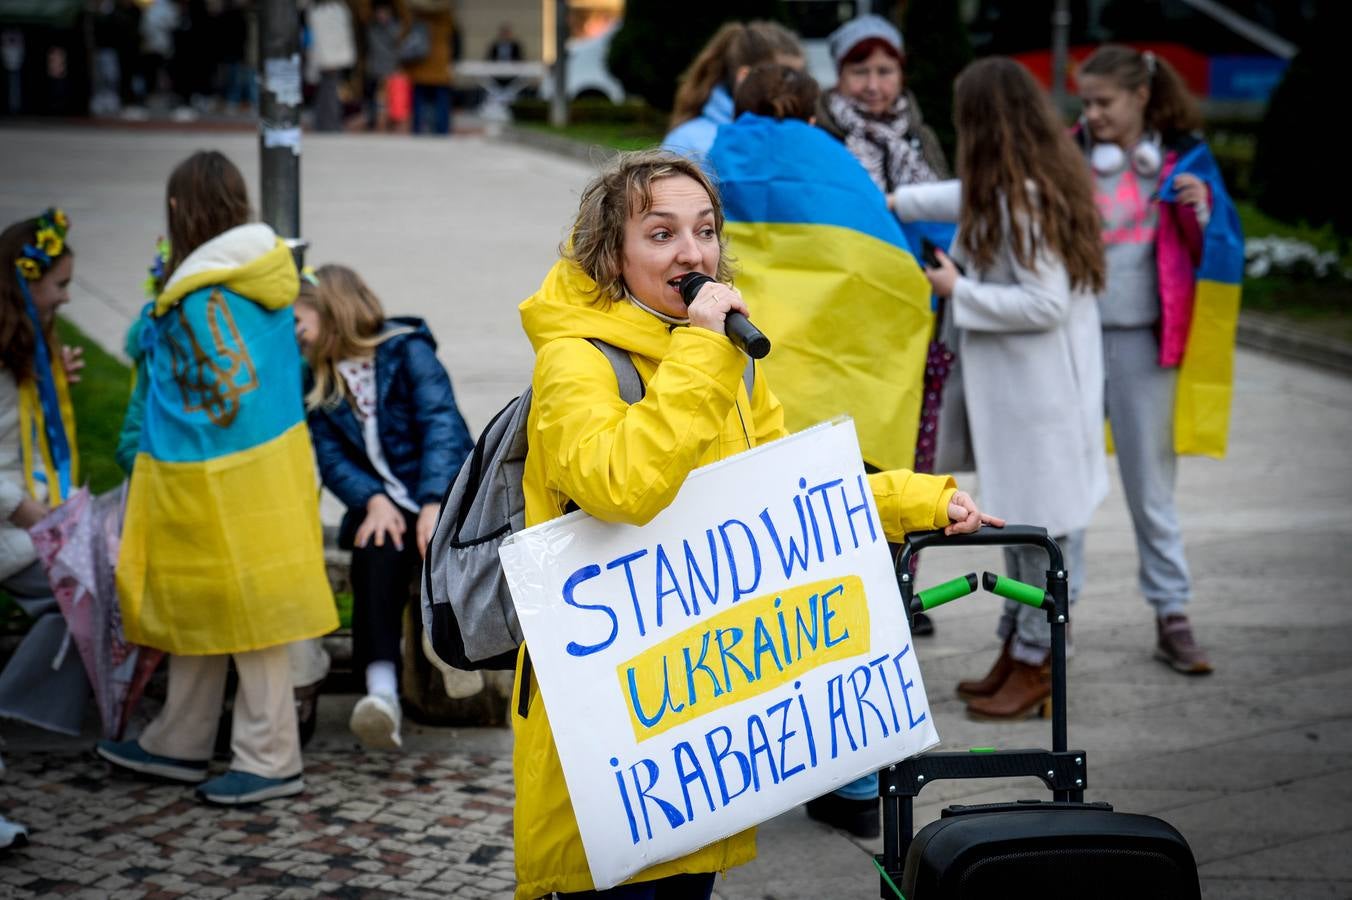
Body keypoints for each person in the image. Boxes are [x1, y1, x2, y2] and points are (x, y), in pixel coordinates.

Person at [512, 148, 1000, 899]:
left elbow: (781, 492)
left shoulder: (724, 358)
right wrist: (704, 350)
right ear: (613, 253)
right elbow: (619, 484)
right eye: (662, 234)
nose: (693, 252)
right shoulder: (576, 362)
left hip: (692, 720)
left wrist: (914, 503)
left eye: (705, 230)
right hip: (609, 732)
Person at [98, 151, 337, 805]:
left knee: (246, 618)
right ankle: (179, 740)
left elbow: (180, 406)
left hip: (206, 480)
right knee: (213, 610)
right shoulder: (268, 283)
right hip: (275, 473)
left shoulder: (188, 303)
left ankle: (270, 757)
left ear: (180, 211)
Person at [891, 57, 1108, 721]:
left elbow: (1043, 302)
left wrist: (961, 291)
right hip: (1034, 401)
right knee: (1024, 528)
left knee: (1045, 536)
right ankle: (1020, 650)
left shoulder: (1024, 199)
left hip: (1041, 401)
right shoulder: (1018, 184)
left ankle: (1039, 662)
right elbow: (945, 198)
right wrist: (886, 200)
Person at [1076, 45, 1218, 674]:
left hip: (1146, 341)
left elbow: (1218, 248)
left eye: (1104, 102)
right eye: (1085, 103)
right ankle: (1054, 616)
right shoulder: (1068, 153)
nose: (1093, 115)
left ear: (1140, 98)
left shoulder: (1182, 161)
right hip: (1072, 338)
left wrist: (1204, 212)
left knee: (1151, 486)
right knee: (1068, 482)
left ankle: (1173, 613)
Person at [295, 264, 473, 750]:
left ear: (333, 315)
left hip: (441, 494)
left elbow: (442, 425)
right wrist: (370, 499)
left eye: (300, 323)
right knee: (376, 551)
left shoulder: (408, 353)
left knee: (440, 547)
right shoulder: (317, 381)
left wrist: (436, 501)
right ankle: (380, 694)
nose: (295, 335)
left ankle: (453, 653)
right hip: (384, 507)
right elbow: (330, 458)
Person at [0, 207, 86, 848]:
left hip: (29, 518)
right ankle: (18, 706)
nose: (64, 297)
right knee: (83, 590)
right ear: (22, 284)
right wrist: (31, 515)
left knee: (91, 585)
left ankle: (25, 703)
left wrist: (58, 380)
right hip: (12, 523)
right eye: (58, 286)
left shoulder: (25, 348)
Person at [814, 14, 948, 194]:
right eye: (860, 72)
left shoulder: (921, 137)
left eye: (884, 72)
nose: (872, 86)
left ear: (901, 75)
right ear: (839, 76)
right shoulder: (819, 134)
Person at [661, 20, 802, 163]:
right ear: (745, 78)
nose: (797, 89)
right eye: (786, 77)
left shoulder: (799, 132)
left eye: (801, 77)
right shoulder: (688, 142)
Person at [405, 0, 455, 135]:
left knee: (420, 100)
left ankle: (418, 128)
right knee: (441, 101)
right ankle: (442, 130)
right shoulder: (445, 15)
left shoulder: (417, 14)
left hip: (421, 64)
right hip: (440, 65)